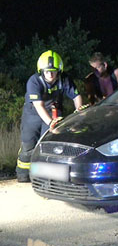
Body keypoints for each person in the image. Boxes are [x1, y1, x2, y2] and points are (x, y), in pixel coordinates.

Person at [15, 50, 83, 182]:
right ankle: (23, 175)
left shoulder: (65, 79)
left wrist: (79, 112)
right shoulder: (34, 81)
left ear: (59, 70)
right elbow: (39, 105)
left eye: (53, 71)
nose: (50, 74)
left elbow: (76, 96)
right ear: (41, 70)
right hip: (33, 112)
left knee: (48, 146)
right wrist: (51, 122)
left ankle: (44, 178)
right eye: (47, 71)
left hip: (53, 112)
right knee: (28, 145)